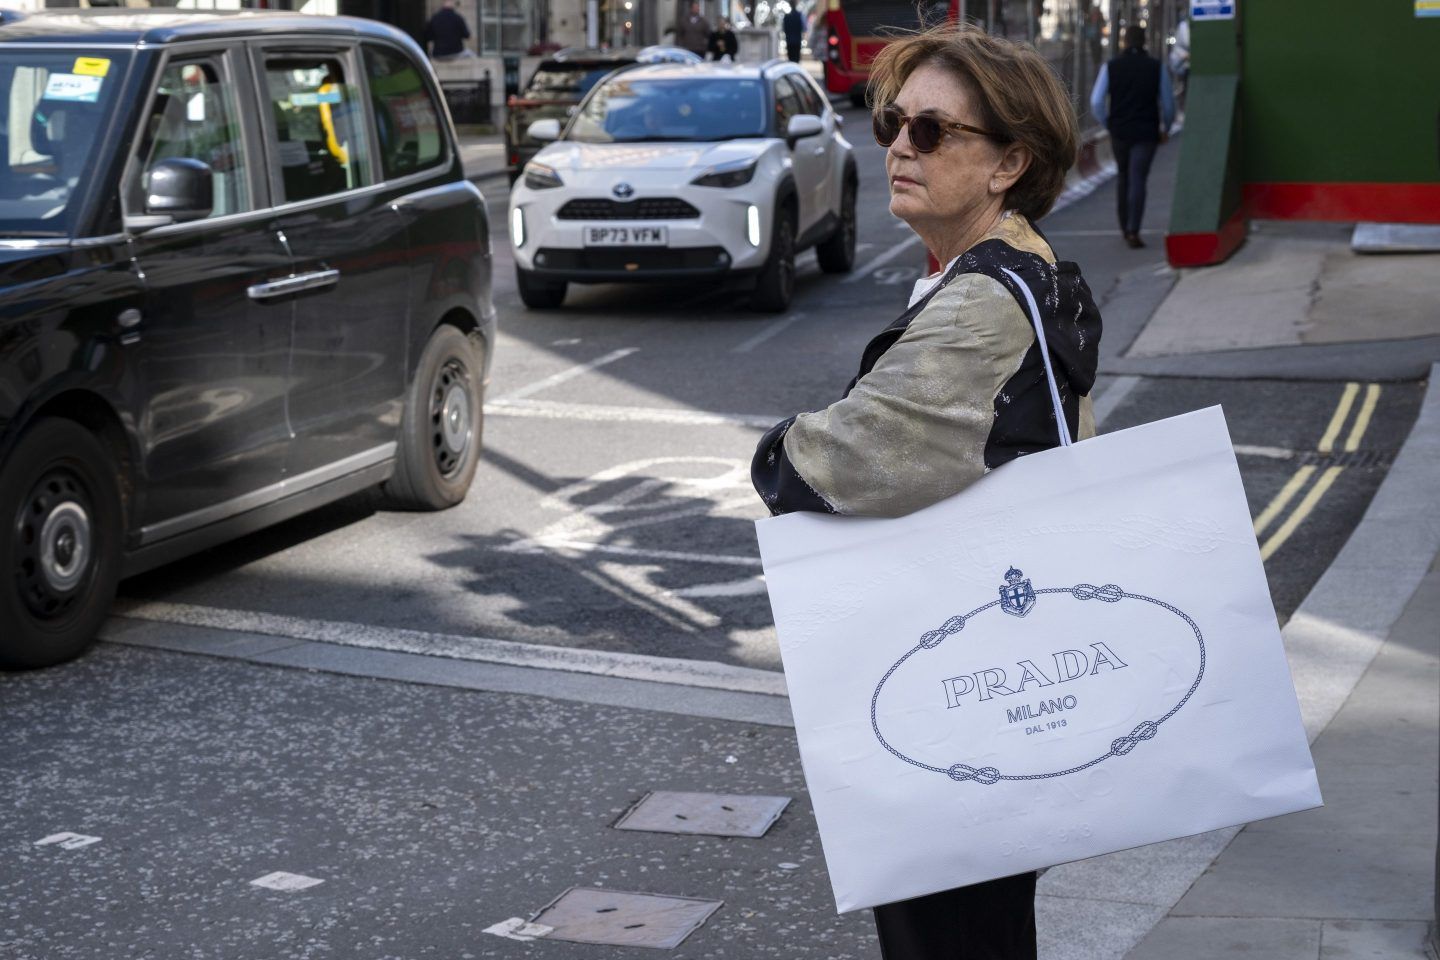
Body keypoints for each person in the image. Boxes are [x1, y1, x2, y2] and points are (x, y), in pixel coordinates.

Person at [750, 23, 1100, 960]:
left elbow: (835, 463)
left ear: (1008, 163)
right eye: (894, 122)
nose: (902, 144)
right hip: (989, 659)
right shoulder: (1011, 268)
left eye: (935, 132)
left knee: (945, 934)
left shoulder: (987, 300)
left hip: (958, 688)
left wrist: (773, 449)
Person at [1089, 24, 1176, 248]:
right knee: (1139, 178)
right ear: (1144, 41)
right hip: (1146, 132)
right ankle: (1133, 229)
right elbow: (1168, 104)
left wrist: (1108, 122)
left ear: (1124, 42)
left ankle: (1124, 225)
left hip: (1120, 131)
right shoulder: (1157, 68)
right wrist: (1166, 128)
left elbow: (1097, 101)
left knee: (1124, 175)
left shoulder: (1111, 67)